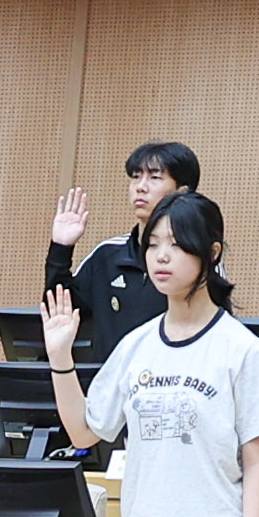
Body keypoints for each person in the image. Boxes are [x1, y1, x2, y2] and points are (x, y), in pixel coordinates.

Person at [46, 188, 259, 517]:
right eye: (153, 245)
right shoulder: (136, 345)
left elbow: (257, 462)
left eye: (176, 244)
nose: (161, 256)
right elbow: (83, 434)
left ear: (212, 253)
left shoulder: (239, 347)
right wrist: (60, 357)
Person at [42, 143, 195, 362]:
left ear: (182, 192)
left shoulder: (196, 258)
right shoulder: (108, 254)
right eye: (135, 177)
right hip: (110, 380)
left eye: (154, 178)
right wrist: (61, 248)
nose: (140, 187)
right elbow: (59, 310)